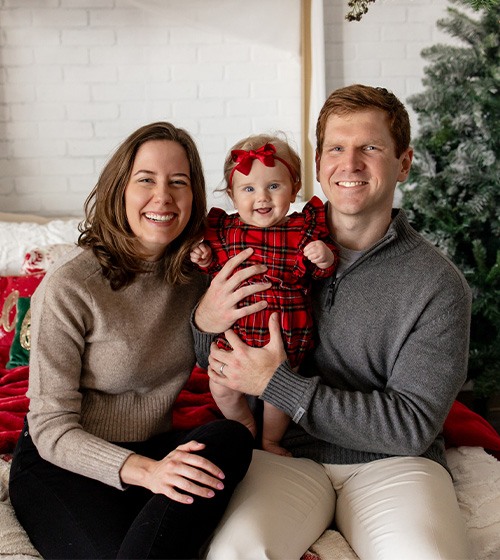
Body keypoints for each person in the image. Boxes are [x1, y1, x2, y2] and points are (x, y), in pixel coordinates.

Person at [192, 85, 472, 559]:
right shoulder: (261, 247)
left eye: (371, 148)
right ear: (319, 164)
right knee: (235, 554)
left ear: (403, 163)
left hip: (394, 464)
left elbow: (412, 425)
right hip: (283, 457)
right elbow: (218, 360)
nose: (351, 163)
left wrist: (278, 386)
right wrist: (204, 322)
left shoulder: (437, 285)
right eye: (337, 148)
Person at [8, 122, 254, 560]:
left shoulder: (199, 278)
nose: (163, 197)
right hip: (66, 461)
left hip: (154, 448)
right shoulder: (71, 286)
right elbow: (50, 428)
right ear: (120, 189)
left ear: (194, 196)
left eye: (179, 182)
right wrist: (150, 473)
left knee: (229, 437)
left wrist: (206, 320)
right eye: (146, 180)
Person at [190, 134, 338, 456]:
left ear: (294, 188)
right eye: (248, 189)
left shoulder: (302, 230)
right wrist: (203, 257)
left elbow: (321, 273)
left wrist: (323, 257)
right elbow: (214, 269)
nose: (262, 197)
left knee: (279, 394)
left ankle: (270, 440)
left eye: (274, 186)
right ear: (231, 194)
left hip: (283, 336)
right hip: (238, 335)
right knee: (220, 385)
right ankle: (245, 428)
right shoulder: (225, 230)